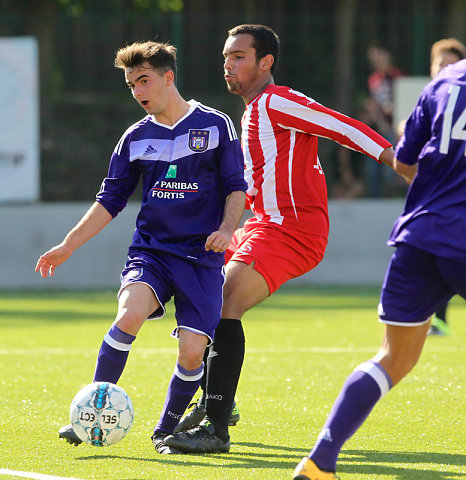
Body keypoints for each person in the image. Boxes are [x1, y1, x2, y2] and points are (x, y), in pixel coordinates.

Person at [163, 24, 397, 455]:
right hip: (263, 223)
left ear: (265, 62)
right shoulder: (253, 112)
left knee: (226, 301)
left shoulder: (277, 101)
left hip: (293, 227)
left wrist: (396, 160)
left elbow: (340, 126)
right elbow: (254, 182)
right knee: (199, 290)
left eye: (238, 57)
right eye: (225, 57)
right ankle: (220, 401)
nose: (227, 65)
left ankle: (215, 427)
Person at [34, 40, 247, 454]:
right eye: (131, 84)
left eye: (144, 81)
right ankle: (90, 414)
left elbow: (236, 187)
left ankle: (165, 430)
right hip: (151, 252)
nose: (137, 92)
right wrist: (67, 245)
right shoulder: (135, 137)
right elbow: (109, 200)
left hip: (202, 259)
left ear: (169, 77)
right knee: (129, 315)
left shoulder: (215, 124)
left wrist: (226, 229)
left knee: (191, 353)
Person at [292, 58, 466, 479]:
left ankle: (319, 463)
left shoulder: (446, 80)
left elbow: (404, 163)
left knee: (392, 359)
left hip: (420, 236)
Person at [427, 38, 465, 336]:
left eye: (452, 65)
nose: (446, 70)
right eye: (441, 65)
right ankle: (437, 319)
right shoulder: (427, 100)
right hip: (433, 199)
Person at [363, 45, 404, 197]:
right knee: (373, 169)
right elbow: (374, 105)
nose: (378, 62)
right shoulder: (373, 79)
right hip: (378, 128)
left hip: (396, 128)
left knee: (391, 170)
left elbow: (403, 100)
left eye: (381, 58)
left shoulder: (397, 76)